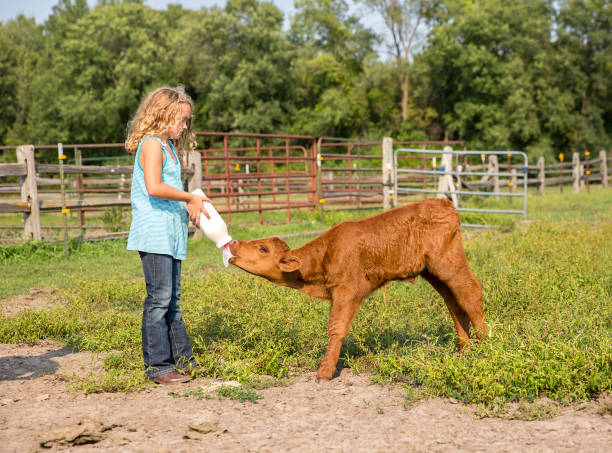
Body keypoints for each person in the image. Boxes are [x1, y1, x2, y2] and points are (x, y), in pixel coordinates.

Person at [125, 86, 209, 384]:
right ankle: (158, 366)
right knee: (159, 300)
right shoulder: (151, 145)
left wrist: (189, 206)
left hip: (170, 233)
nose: (184, 126)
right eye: (181, 120)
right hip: (154, 232)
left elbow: (167, 190)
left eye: (186, 121)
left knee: (172, 299)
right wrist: (189, 198)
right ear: (163, 115)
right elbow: (154, 187)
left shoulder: (169, 147)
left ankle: (184, 360)